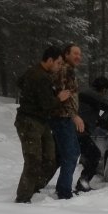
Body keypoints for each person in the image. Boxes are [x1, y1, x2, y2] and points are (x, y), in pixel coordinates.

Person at [14, 46, 71, 203]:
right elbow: (47, 104)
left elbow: (19, 82)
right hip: (29, 122)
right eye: (58, 63)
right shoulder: (40, 77)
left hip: (41, 122)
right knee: (33, 159)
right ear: (50, 60)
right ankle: (23, 198)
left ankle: (34, 187)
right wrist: (60, 97)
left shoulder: (36, 73)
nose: (59, 66)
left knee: (50, 157)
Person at [49, 43, 84, 199]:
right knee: (70, 154)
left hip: (64, 117)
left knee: (70, 153)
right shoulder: (65, 70)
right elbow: (64, 95)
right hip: (62, 117)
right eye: (75, 53)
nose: (78, 57)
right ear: (66, 54)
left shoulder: (67, 69)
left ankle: (62, 187)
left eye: (80, 54)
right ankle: (64, 192)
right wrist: (74, 115)